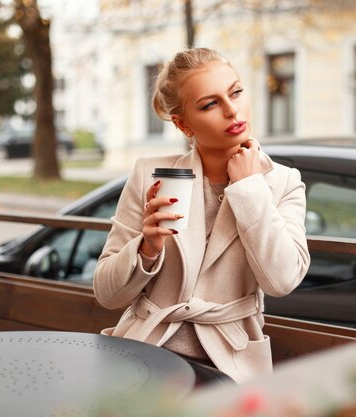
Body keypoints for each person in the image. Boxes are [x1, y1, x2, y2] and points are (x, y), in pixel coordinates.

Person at [93, 47, 310, 383]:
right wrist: (147, 247)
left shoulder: (282, 183)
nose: (231, 110)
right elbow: (107, 295)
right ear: (183, 124)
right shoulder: (151, 174)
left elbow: (282, 281)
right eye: (210, 104)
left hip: (230, 364)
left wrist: (250, 187)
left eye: (235, 92)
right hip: (147, 351)